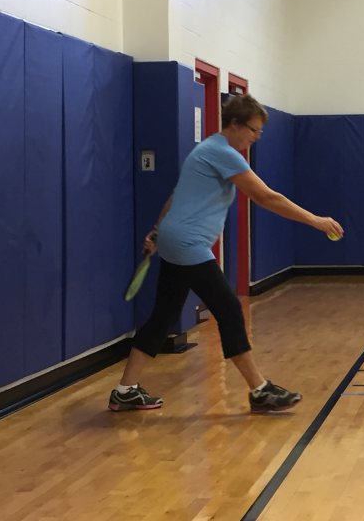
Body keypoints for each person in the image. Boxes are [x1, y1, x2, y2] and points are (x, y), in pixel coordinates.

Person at [109, 94, 344, 413]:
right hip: (189, 243)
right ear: (234, 124)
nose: (256, 137)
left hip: (175, 240)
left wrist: (158, 230)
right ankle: (260, 390)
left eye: (260, 132)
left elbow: (176, 196)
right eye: (253, 129)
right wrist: (315, 220)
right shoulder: (222, 153)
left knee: (164, 316)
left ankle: (125, 390)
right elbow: (266, 197)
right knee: (230, 310)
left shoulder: (205, 149)